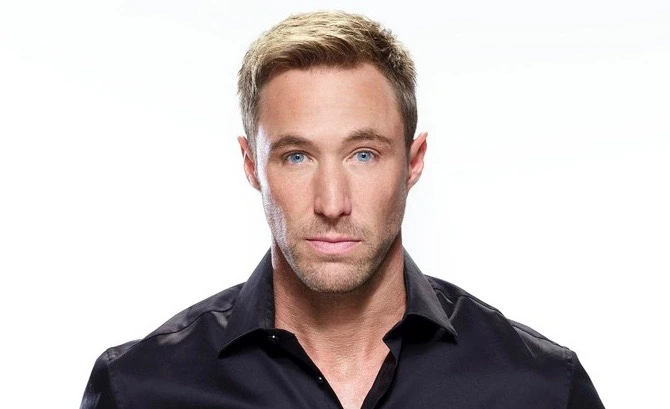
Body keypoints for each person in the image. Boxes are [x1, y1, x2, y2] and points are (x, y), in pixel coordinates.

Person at [80, 10, 604, 409]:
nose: (332, 203)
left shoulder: (539, 388)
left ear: (413, 161)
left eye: (364, 154)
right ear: (251, 165)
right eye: (297, 156)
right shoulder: (142, 389)